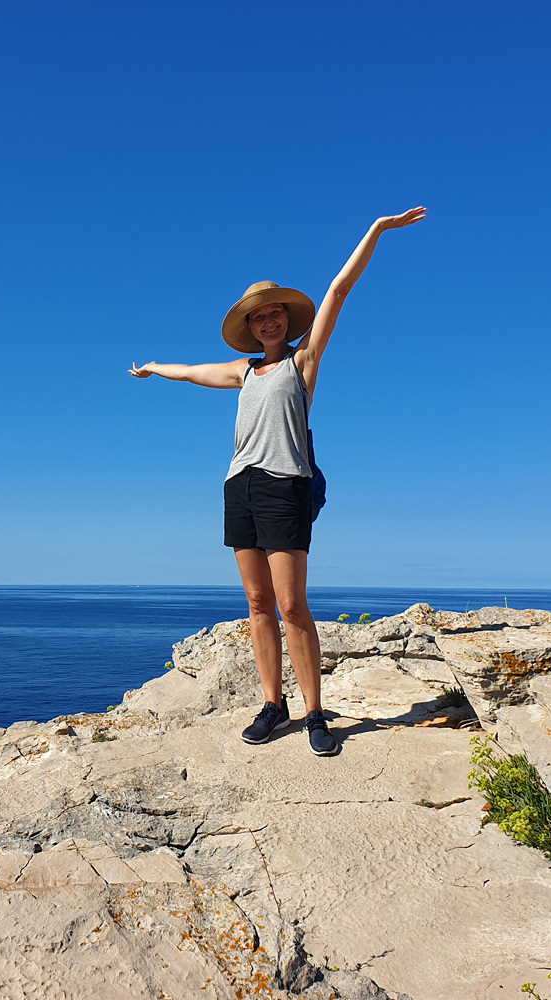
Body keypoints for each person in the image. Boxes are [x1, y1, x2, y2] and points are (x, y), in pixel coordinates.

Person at [129, 207, 427, 755]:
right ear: (250, 327)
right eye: (259, 317)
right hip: (239, 486)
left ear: (286, 321)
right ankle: (274, 704)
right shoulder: (244, 372)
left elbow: (338, 289)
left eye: (276, 315)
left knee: (292, 606)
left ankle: (315, 712)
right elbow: (194, 372)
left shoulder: (303, 361)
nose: (269, 322)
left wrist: (376, 231)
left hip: (284, 485)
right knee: (257, 604)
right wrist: (154, 366)